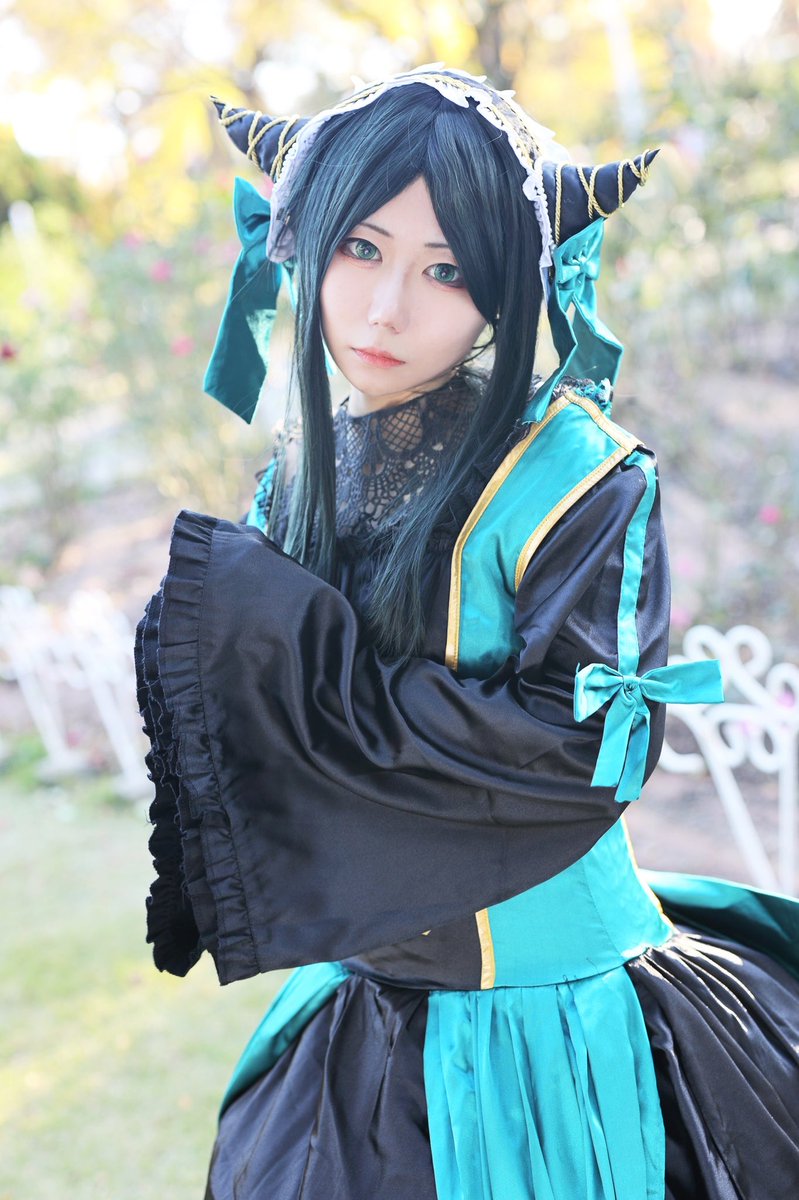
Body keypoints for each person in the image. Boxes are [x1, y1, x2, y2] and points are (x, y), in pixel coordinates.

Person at [135, 67, 799, 1200]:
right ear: (303, 246)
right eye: (360, 249)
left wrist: (303, 700)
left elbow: (580, 750)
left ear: (503, 287)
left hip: (558, 1035)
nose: (386, 309)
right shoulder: (293, 480)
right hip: (361, 1013)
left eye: (444, 269)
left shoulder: (576, 479)